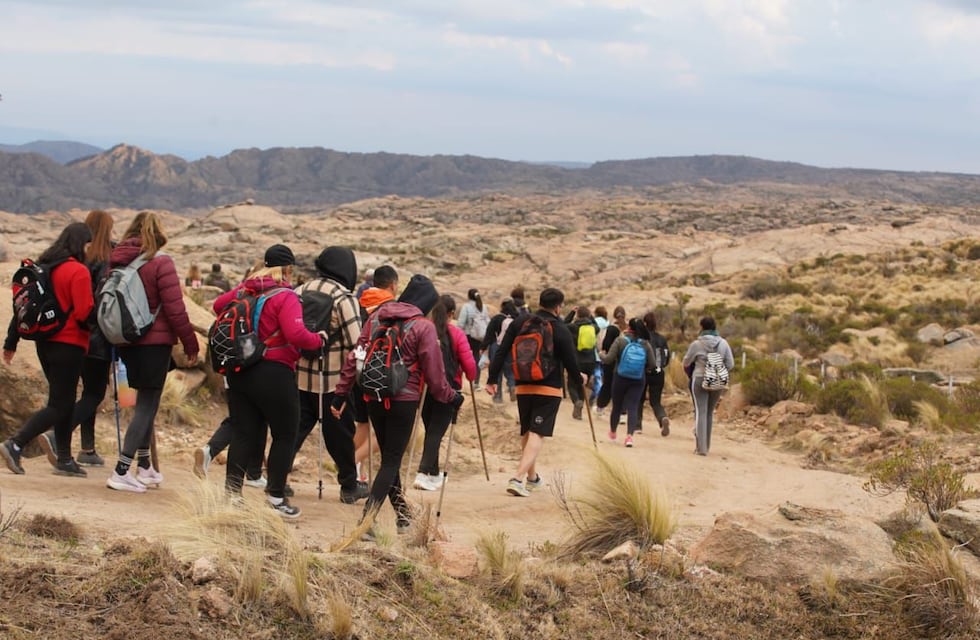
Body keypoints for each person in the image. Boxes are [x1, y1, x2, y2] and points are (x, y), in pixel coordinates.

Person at [332, 274, 463, 537]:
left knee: (389, 459)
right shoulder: (423, 327)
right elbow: (436, 377)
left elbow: (354, 358)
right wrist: (451, 397)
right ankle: (366, 523)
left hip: (373, 397)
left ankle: (403, 516)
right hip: (404, 400)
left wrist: (340, 394)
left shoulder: (376, 319)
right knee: (391, 460)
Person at [213, 244, 327, 517]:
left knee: (243, 431)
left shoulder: (246, 290)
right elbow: (296, 334)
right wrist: (318, 339)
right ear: (288, 269)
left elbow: (218, 305)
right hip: (274, 370)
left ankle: (232, 495)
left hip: (240, 369)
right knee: (285, 433)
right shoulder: (285, 296)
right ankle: (276, 498)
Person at [105, 211, 200, 492]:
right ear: (158, 234)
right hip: (154, 344)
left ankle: (145, 467)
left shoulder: (118, 262)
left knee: (143, 401)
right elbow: (175, 308)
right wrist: (190, 342)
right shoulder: (160, 262)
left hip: (126, 342)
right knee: (147, 405)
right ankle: (121, 470)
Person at [1, 222, 94, 477]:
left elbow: (22, 308)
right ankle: (16, 443)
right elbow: (85, 311)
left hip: (45, 343)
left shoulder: (44, 268)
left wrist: (11, 342)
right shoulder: (78, 271)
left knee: (63, 401)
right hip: (70, 342)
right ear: (80, 244)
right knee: (59, 404)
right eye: (88, 244)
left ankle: (64, 458)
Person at [485, 287, 584, 498]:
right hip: (548, 387)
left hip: (523, 384)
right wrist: (580, 383)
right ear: (558, 307)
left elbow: (502, 350)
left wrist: (492, 378)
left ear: (540, 303)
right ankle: (518, 478)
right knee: (538, 432)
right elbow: (570, 361)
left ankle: (532, 479)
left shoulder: (520, 322)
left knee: (527, 430)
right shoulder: (559, 328)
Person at [36, 210, 116, 468]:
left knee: (77, 395)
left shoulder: (74, 259)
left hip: (67, 336)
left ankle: (86, 449)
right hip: (95, 336)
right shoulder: (108, 259)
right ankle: (58, 435)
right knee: (93, 393)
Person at [292, 246, 369, 504]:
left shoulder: (300, 290)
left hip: (299, 378)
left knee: (293, 432)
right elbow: (358, 343)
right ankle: (349, 487)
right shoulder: (343, 298)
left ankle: (276, 480)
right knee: (340, 437)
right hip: (333, 384)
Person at [414, 294, 477, 491]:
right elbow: (470, 368)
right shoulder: (457, 334)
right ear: (451, 313)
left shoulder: (423, 330)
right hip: (449, 390)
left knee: (432, 430)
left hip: (424, 389)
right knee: (435, 432)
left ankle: (433, 474)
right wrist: (470, 376)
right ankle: (423, 473)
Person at [351, 264, 398, 478]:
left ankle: (351, 468)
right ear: (393, 285)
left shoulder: (359, 303)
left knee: (362, 423)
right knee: (385, 431)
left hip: (357, 371)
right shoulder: (389, 308)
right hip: (380, 373)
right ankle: (354, 461)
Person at [682, 316, 735, 456]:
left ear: (702, 327)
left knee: (701, 412)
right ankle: (707, 446)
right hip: (717, 381)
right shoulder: (723, 343)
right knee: (710, 413)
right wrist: (717, 371)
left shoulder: (696, 344)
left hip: (699, 378)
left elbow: (686, 362)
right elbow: (730, 364)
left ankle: (701, 448)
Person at [601, 318, 657, 448]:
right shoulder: (645, 344)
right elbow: (653, 364)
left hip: (620, 377)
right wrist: (644, 369)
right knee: (633, 406)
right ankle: (629, 437)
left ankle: (613, 432)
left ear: (629, 327)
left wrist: (601, 354)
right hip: (638, 379)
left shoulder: (620, 341)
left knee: (617, 406)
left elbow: (609, 359)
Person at [479, 298, 520, 403]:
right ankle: (512, 387)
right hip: (511, 348)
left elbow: (489, 334)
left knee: (496, 371)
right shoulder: (517, 319)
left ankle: (497, 396)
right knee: (510, 371)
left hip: (496, 348)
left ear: (502, 307)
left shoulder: (497, 318)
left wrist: (483, 347)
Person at [640, 311, 672, 437]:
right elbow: (667, 356)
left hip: (643, 371)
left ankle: (637, 425)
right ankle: (662, 417)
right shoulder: (662, 338)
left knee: (639, 399)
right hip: (658, 373)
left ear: (645, 323)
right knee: (656, 401)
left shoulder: (642, 339)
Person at [565, 306, 598, 420]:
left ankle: (577, 402)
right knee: (582, 385)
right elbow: (597, 325)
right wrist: (590, 316)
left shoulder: (573, 327)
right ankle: (579, 410)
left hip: (576, 361)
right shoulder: (593, 328)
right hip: (590, 361)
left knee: (571, 384)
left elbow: (563, 324)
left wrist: (572, 312)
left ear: (577, 315)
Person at [595, 305, 627, 416]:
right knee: (621, 387)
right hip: (624, 363)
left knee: (607, 385)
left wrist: (603, 354)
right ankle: (622, 412)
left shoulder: (612, 328)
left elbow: (605, 345)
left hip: (610, 362)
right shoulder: (627, 329)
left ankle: (600, 407)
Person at [456, 288, 490, 390]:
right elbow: (487, 321)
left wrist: (458, 333)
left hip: (468, 335)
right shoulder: (483, 307)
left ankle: (460, 381)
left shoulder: (466, 306)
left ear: (468, 296)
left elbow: (461, 323)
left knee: (461, 357)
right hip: (479, 336)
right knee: (476, 358)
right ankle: (476, 382)